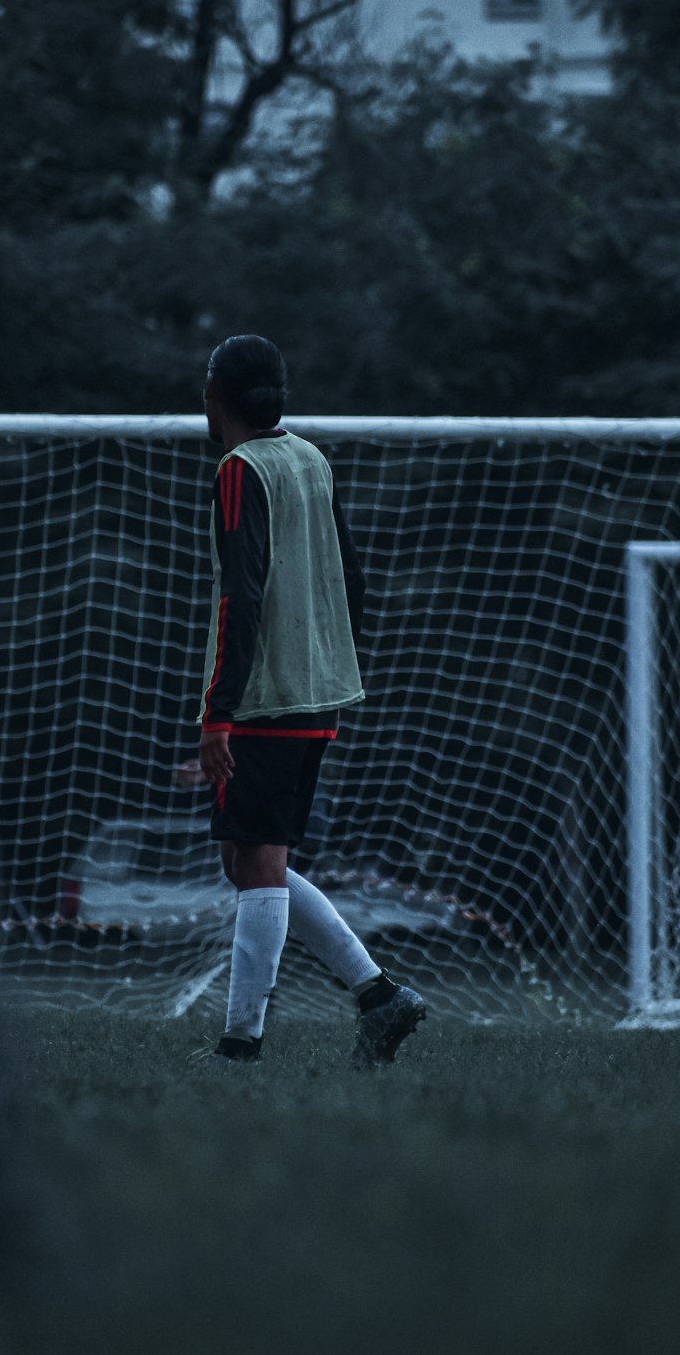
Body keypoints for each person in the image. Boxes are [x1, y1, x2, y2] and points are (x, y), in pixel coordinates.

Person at [193, 334, 425, 1065]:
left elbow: (242, 592)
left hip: (265, 696)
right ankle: (379, 996)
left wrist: (219, 710)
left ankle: (240, 1045)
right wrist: (327, 655)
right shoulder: (311, 459)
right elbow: (352, 578)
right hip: (318, 689)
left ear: (214, 398)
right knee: (248, 859)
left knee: (258, 862)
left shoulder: (240, 469)